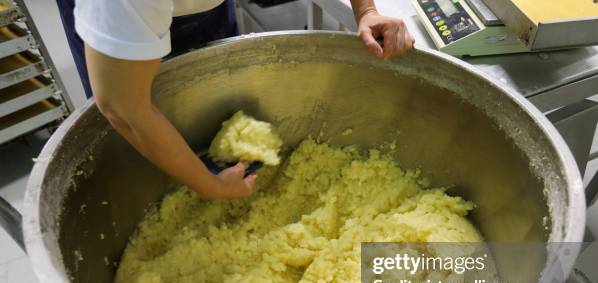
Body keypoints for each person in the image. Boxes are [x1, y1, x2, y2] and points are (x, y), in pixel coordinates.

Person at [59, 0, 414, 199]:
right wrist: (210, 185)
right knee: (145, 142)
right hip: (123, 20)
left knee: (214, 110)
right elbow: (122, 107)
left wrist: (366, 10)